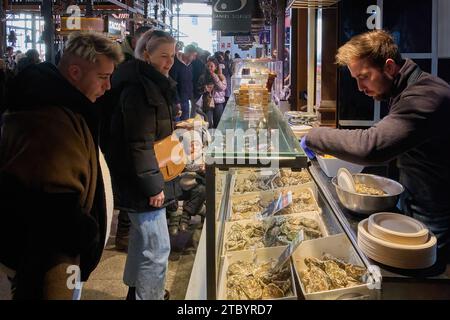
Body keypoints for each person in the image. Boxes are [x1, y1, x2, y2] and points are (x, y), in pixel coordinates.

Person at [301, 30, 450, 262]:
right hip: (415, 201)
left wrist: (313, 136)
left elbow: (371, 147)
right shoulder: (406, 89)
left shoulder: (426, 96)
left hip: (438, 215)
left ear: (389, 67)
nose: (360, 87)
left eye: (364, 77)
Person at [0, 31, 123, 299]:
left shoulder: (67, 108)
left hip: (61, 254)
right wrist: (85, 233)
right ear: (76, 72)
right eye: (102, 77)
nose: (108, 86)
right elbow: (51, 205)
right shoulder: (46, 119)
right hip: (50, 262)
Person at [100, 29, 180, 300]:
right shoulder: (140, 89)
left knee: (142, 239)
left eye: (173, 55)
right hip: (140, 181)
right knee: (157, 249)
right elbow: (138, 143)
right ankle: (150, 295)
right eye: (164, 56)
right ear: (146, 54)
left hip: (137, 177)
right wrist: (153, 186)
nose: (170, 62)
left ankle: (137, 291)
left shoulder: (149, 82)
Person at [170, 44, 198, 121]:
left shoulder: (190, 66)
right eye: (193, 55)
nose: (194, 58)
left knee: (186, 123)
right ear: (187, 53)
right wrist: (176, 101)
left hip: (187, 100)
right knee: (178, 125)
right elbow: (173, 84)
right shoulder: (175, 64)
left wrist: (191, 97)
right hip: (178, 101)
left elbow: (190, 82)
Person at [197, 58, 227, 128]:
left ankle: (217, 137)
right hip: (207, 102)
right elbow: (198, 89)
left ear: (216, 67)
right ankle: (209, 137)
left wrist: (214, 76)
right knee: (208, 123)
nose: (209, 68)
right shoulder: (203, 76)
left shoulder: (221, 76)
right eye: (208, 66)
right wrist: (204, 88)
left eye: (211, 66)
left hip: (218, 102)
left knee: (218, 123)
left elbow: (222, 88)